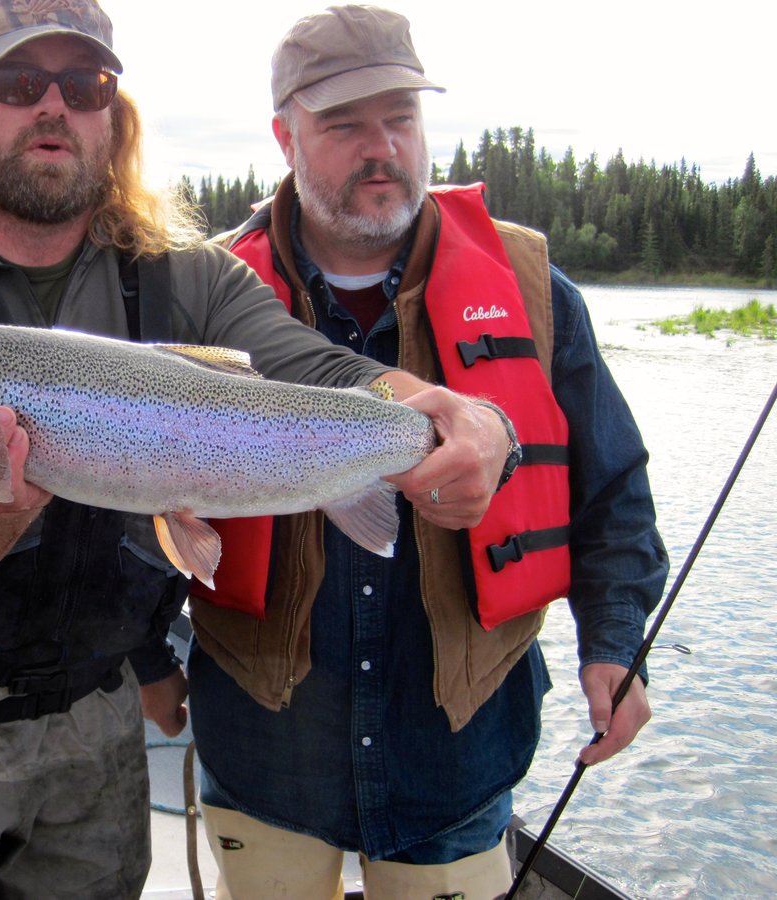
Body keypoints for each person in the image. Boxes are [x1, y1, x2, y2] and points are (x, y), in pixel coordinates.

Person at [0, 1, 514, 896]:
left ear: (115, 115)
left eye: (85, 85)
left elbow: (327, 374)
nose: (52, 106)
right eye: (19, 83)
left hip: (97, 735)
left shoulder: (188, 276)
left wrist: (466, 421)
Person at [185, 6, 670, 899]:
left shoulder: (534, 288)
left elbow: (613, 488)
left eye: (400, 118)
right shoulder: (210, 297)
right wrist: (143, 659)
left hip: (457, 755)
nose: (384, 148)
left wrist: (614, 643)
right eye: (343, 124)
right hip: (264, 752)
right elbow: (138, 485)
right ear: (283, 135)